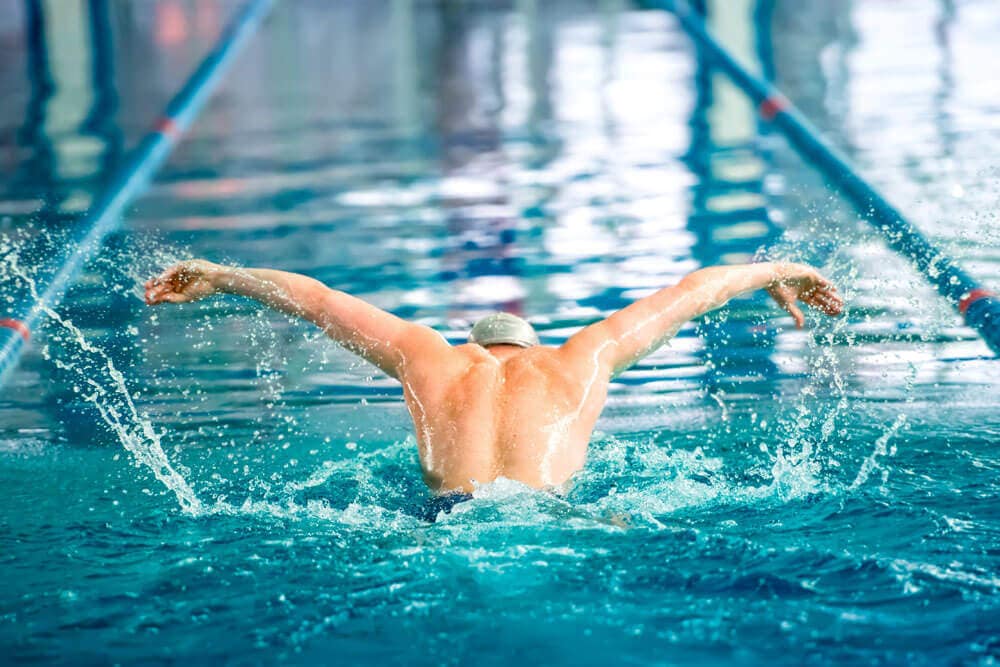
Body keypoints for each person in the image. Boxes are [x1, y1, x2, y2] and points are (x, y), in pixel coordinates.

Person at [144, 259, 842, 519]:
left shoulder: (430, 358)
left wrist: (220, 277)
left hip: (445, 523)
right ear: (530, 345)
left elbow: (320, 301)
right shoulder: (583, 358)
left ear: (475, 345)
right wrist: (777, 269)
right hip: (555, 520)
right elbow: (691, 294)